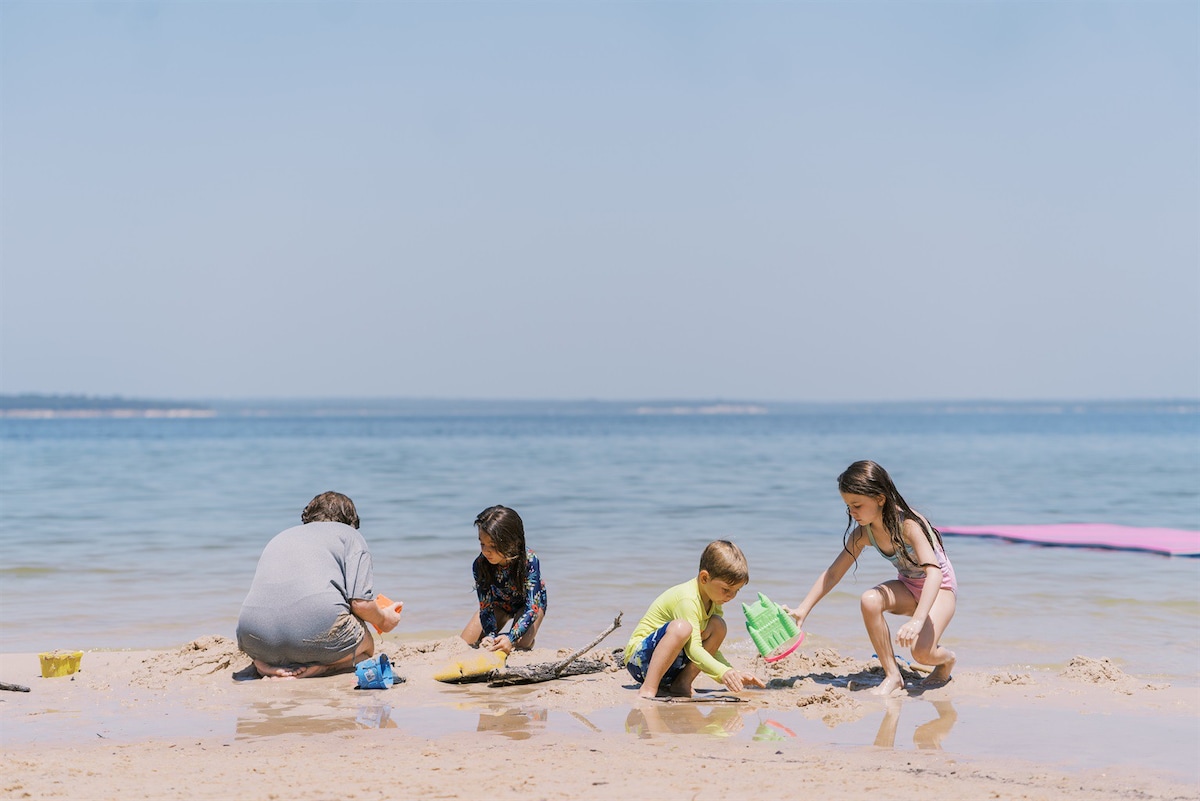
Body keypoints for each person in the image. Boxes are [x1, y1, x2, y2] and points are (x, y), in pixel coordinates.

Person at [785, 460, 958, 695]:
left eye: (857, 505)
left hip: (940, 590)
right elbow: (834, 572)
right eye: (848, 506)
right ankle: (893, 675)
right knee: (869, 599)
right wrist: (803, 609)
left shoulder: (908, 525)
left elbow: (934, 573)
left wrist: (917, 620)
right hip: (909, 587)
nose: (851, 512)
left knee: (921, 653)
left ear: (880, 498)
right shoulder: (864, 534)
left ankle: (947, 661)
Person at [235, 491, 402, 679]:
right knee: (366, 645)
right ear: (351, 523)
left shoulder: (281, 536)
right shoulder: (350, 536)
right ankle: (324, 668)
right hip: (315, 636)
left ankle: (263, 665)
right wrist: (384, 620)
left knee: (285, 640)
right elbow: (360, 604)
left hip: (252, 636)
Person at [624, 540, 765, 700]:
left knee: (718, 626)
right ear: (704, 578)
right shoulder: (687, 599)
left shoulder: (714, 600)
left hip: (670, 667)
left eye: (736, 591)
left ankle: (681, 684)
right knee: (681, 628)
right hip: (640, 662)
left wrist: (732, 672)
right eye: (726, 589)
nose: (731, 596)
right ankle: (648, 689)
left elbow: (708, 650)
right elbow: (694, 650)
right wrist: (722, 672)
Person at [459, 505, 547, 654]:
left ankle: (526, 640)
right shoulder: (480, 564)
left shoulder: (529, 560)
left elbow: (532, 607)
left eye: (493, 545)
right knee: (464, 643)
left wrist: (510, 639)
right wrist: (490, 635)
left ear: (512, 542)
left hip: (528, 606)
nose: (486, 551)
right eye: (482, 544)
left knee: (520, 643)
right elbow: (486, 607)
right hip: (498, 604)